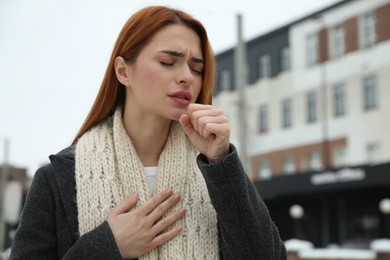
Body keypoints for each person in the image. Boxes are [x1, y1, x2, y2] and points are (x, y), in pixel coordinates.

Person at [9, 5, 286, 260]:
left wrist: (221, 161)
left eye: (197, 68)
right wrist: (108, 245)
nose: (187, 77)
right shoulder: (57, 178)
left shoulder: (216, 170)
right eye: (168, 61)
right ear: (123, 71)